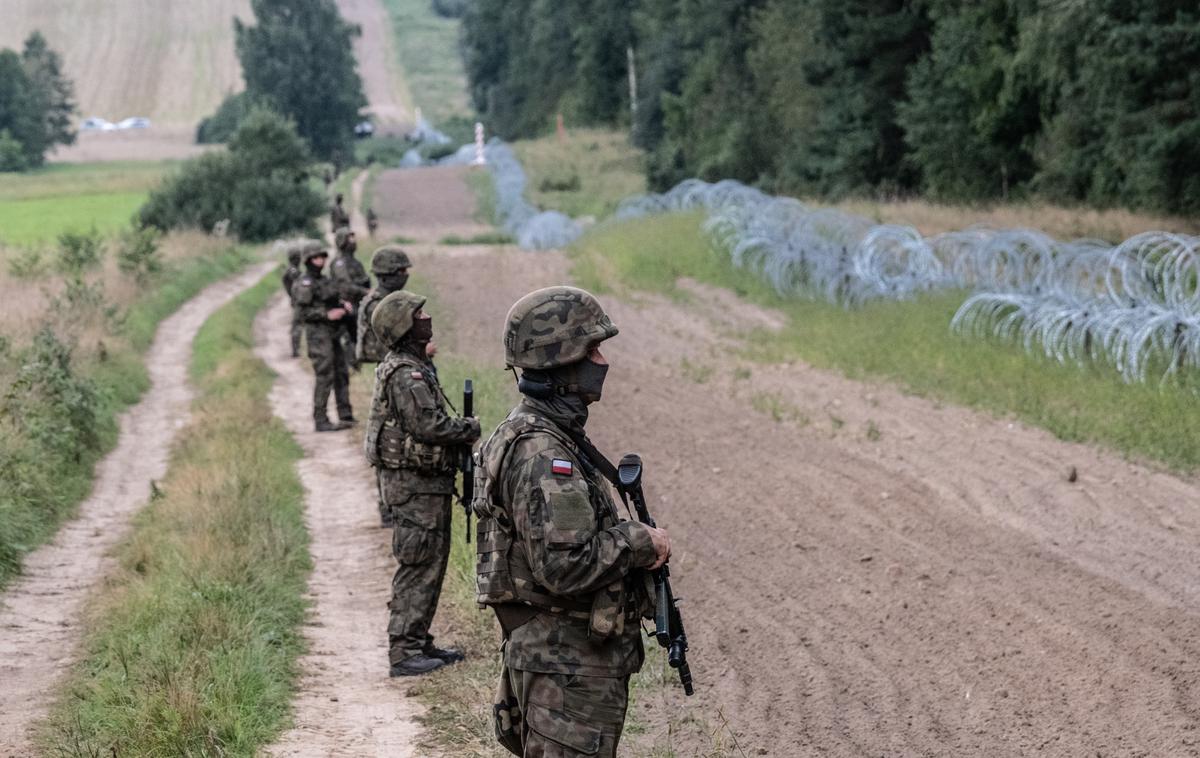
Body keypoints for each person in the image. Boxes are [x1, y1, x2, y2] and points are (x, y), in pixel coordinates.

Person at [473, 286, 672, 757]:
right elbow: (565, 566)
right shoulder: (543, 452)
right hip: (566, 667)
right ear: (560, 360)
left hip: (559, 661)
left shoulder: (538, 431)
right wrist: (640, 541)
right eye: (592, 349)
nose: (602, 361)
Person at [365, 291, 481, 676]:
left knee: (431, 561)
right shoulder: (405, 373)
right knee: (418, 563)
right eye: (419, 314)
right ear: (404, 325)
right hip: (413, 485)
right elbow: (427, 425)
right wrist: (467, 429)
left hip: (423, 483)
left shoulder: (413, 365)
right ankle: (404, 650)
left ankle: (418, 638)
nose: (427, 317)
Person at [357, 245, 414, 527]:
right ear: (388, 274)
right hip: (392, 382)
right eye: (401, 271)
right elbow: (386, 345)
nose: (405, 275)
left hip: (400, 379)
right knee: (388, 445)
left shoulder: (394, 301)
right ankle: (387, 506)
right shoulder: (378, 305)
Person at [292, 244, 355, 432]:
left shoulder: (324, 280)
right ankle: (321, 419)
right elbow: (302, 313)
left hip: (333, 333)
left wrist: (343, 306)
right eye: (316, 258)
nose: (321, 261)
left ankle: (346, 415)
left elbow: (332, 297)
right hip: (318, 335)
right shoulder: (305, 284)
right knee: (325, 375)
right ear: (308, 260)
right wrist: (326, 314)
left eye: (322, 257)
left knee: (341, 373)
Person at [330, 227, 371, 370]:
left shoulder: (354, 261)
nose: (353, 241)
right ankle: (350, 365)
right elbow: (345, 286)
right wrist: (365, 291)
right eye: (349, 238)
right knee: (349, 336)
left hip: (358, 302)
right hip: (347, 303)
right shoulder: (340, 263)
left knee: (358, 335)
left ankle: (355, 363)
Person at [281, 242, 305, 358]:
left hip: (296, 300)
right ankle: (296, 350)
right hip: (299, 301)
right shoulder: (293, 271)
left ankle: (297, 349)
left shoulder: (289, 270)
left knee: (297, 325)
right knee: (297, 325)